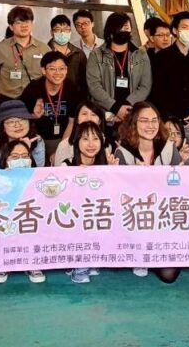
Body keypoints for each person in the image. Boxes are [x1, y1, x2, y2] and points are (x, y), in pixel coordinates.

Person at [113, 102, 182, 283]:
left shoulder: (169, 148)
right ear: (133, 123)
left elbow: (180, 188)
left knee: (169, 275)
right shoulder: (122, 153)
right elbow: (120, 197)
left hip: (164, 219)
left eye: (154, 120)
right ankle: (140, 253)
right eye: (144, 120)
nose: (150, 125)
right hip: (136, 220)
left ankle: (153, 253)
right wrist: (136, 179)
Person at [150, 11, 189, 160]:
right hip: (170, 122)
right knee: (168, 158)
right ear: (175, 30)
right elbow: (158, 91)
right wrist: (167, 119)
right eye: (185, 27)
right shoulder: (162, 57)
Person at [63, 121, 115, 284]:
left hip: (100, 215)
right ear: (77, 141)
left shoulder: (107, 164)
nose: (91, 144)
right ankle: (78, 265)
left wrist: (114, 173)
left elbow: (115, 196)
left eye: (95, 139)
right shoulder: (66, 165)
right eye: (85, 139)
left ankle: (91, 259)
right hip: (75, 218)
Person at [0, 140, 46, 285]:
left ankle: (33, 263)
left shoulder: (39, 178)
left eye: (25, 156)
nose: (21, 160)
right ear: (6, 160)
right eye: (15, 157)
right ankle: (2, 264)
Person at [86, 12, 152, 128]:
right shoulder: (96, 55)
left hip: (131, 113)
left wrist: (126, 107)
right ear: (110, 30)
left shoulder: (141, 55)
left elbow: (145, 86)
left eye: (126, 28)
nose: (123, 31)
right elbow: (94, 86)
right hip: (105, 113)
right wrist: (115, 108)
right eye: (120, 27)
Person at [19, 51, 84, 157]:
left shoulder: (72, 88)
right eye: (52, 69)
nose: (58, 73)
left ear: (67, 70)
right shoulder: (33, 89)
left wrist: (61, 150)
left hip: (64, 138)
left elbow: (72, 122)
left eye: (62, 68)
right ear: (43, 70)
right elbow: (19, 117)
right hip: (37, 139)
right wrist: (33, 116)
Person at [0, 6, 48, 102]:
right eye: (18, 22)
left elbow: (49, 74)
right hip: (7, 99)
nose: (24, 26)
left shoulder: (44, 49)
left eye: (27, 22)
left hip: (36, 100)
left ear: (32, 24)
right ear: (11, 26)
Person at [0, 100, 45, 169]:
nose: (17, 125)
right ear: (3, 127)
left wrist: (26, 150)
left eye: (22, 119)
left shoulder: (36, 140)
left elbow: (38, 171)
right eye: (11, 122)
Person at [52, 101, 106, 166]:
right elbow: (58, 171)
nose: (89, 118)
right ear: (77, 119)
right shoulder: (64, 146)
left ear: (100, 121)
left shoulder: (107, 145)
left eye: (93, 114)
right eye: (84, 114)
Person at [47, 15, 88, 90]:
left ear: (70, 31)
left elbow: (84, 81)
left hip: (74, 95)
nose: (62, 32)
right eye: (58, 29)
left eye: (66, 29)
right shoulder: (45, 51)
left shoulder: (78, 53)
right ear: (52, 32)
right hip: (51, 94)